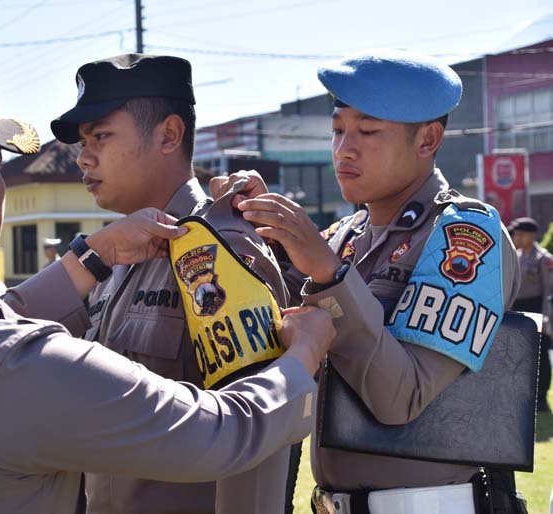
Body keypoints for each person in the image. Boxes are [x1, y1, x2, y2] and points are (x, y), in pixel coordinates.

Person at [0, 62, 336, 514]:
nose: (83, 156)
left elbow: (252, 482)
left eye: (100, 136)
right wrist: (304, 353)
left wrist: (92, 255)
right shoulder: (12, 361)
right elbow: (228, 432)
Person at [212, 49, 521, 514]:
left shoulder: (465, 236)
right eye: (338, 130)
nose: (344, 149)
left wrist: (331, 276)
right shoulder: (346, 236)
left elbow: (402, 398)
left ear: (428, 140)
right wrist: (251, 225)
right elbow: (267, 328)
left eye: (368, 131)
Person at [50, 53, 295, 514]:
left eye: (100, 136)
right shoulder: (113, 256)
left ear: (168, 135)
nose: (83, 157)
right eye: (83, 142)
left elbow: (258, 438)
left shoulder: (222, 249)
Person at [509, 216, 552, 412]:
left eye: (520, 233)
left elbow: (549, 291)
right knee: (519, 357)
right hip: (517, 309)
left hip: (536, 308)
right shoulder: (515, 256)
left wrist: (545, 317)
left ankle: (541, 397)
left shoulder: (544, 259)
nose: (516, 237)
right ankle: (525, 396)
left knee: (540, 356)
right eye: (516, 233)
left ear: (532, 235)